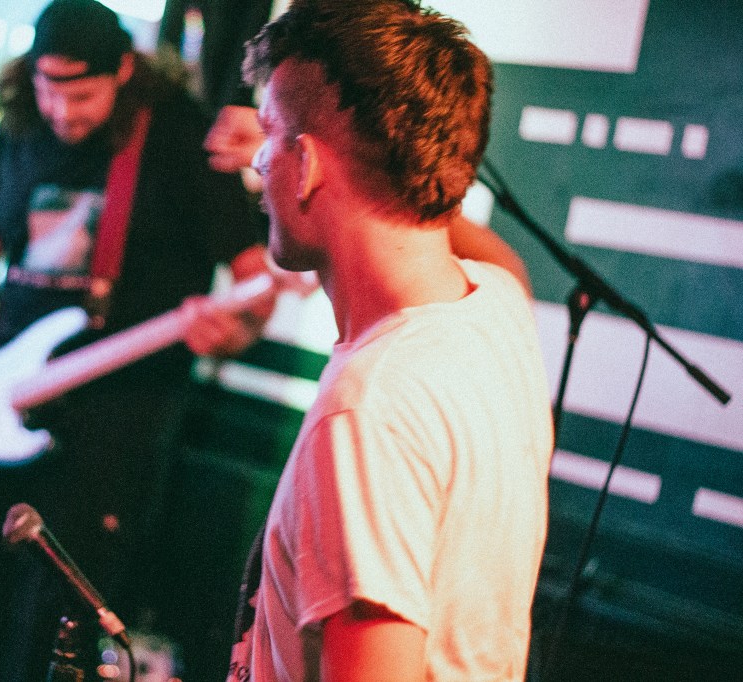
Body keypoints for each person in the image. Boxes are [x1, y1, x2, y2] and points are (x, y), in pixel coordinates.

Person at [0, 1, 272, 679]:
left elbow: (256, 277)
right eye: (48, 90)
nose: (61, 111)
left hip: (114, 415)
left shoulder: (178, 134)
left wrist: (231, 332)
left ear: (123, 72)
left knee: (53, 623)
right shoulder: (21, 125)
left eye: (81, 95)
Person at [223, 1, 555, 680]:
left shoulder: (368, 410)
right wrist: (411, 155)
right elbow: (504, 263)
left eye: (270, 133)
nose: (257, 160)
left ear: (308, 165)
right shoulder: (497, 305)